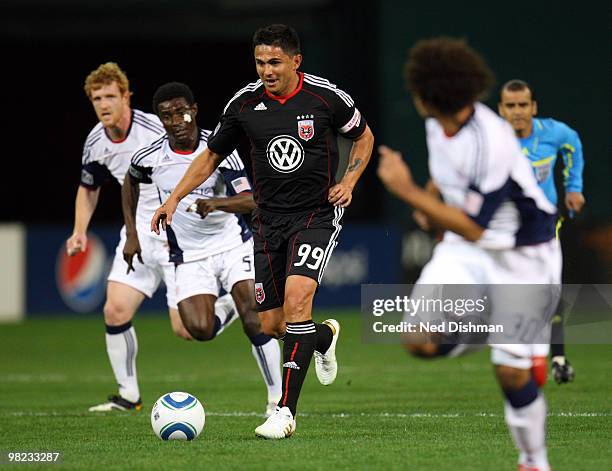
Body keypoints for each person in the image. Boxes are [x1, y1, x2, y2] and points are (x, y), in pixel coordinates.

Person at [151, 24, 374, 439]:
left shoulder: (327, 96)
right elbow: (210, 157)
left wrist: (349, 181)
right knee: (271, 324)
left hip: (316, 214)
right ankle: (322, 338)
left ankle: (284, 412)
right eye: (259, 62)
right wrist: (174, 198)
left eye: (274, 62)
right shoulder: (243, 104)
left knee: (297, 301)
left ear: (295, 61)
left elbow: (363, 138)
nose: (266, 70)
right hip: (268, 221)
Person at [377, 38, 559, 471]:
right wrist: (431, 204)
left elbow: (478, 224)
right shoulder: (436, 124)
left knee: (512, 376)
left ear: (426, 95)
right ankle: (500, 330)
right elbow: (446, 182)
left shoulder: (490, 140)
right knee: (418, 339)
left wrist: (407, 192)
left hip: (522, 253)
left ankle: (534, 461)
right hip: (464, 247)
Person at [67, 62, 233, 412]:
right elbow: (89, 188)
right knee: (114, 310)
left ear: (127, 97)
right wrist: (80, 231)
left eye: (110, 96)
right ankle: (128, 396)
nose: (103, 104)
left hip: (179, 235)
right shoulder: (96, 141)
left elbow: (199, 156)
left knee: (188, 330)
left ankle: (234, 305)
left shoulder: (154, 128)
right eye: (97, 98)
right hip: (139, 236)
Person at [125, 81, 282, 416]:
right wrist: (131, 235)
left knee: (257, 321)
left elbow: (252, 200)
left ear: (194, 110)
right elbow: (130, 182)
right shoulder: (149, 158)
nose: (176, 120)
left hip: (231, 244)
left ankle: (276, 400)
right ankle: (233, 305)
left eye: (181, 111)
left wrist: (216, 203)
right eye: (166, 115)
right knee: (198, 330)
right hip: (188, 255)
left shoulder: (218, 147)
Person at [499, 79, 585, 384]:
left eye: (523, 105)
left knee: (549, 288)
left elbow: (572, 143)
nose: (518, 111)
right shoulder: (495, 140)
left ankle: (557, 358)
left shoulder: (553, 133)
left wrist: (573, 188)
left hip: (546, 224)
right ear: (501, 109)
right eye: (511, 106)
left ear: (533, 107)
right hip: (506, 226)